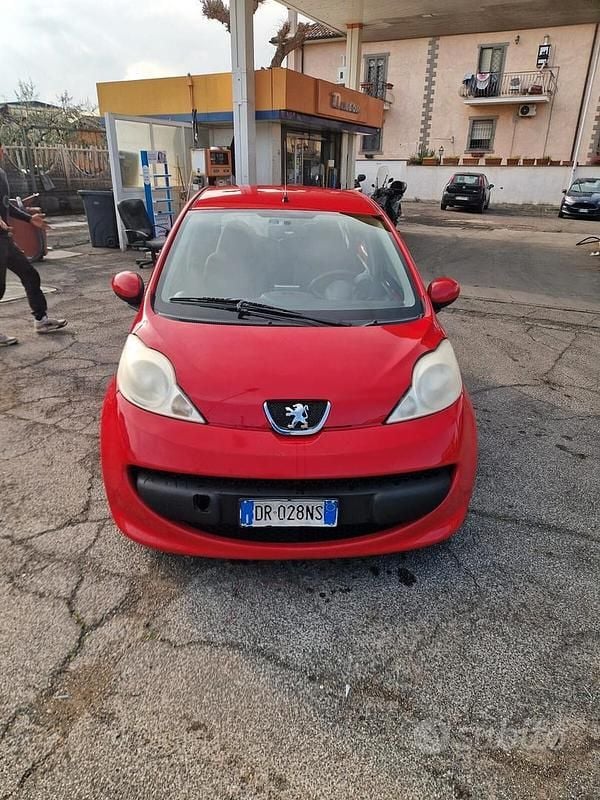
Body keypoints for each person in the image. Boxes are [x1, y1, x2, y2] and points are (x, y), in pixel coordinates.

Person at [0, 139, 67, 346]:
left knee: (30, 274)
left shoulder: (1, 174)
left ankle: (41, 320)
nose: (2, 152)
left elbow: (6, 206)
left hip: (5, 239)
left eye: (2, 148)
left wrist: (30, 219)